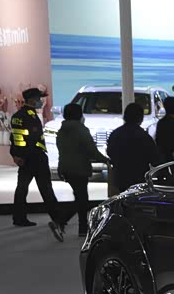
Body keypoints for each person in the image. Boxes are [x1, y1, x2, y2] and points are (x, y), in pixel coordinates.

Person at [10, 87, 65, 240]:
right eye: (39, 99)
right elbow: (31, 138)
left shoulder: (17, 116)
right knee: (46, 188)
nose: (41, 101)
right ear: (32, 99)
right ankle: (57, 218)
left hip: (25, 158)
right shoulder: (30, 116)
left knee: (21, 188)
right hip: (35, 158)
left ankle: (19, 217)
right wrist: (24, 155)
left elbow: (15, 138)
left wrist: (16, 155)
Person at [56, 103, 109, 236]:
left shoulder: (62, 130)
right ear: (79, 114)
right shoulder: (81, 130)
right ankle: (62, 221)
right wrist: (106, 160)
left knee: (80, 197)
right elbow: (91, 150)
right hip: (79, 168)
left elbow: (62, 151)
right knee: (81, 199)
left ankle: (82, 228)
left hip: (66, 167)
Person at [106, 102, 159, 193]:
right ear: (140, 118)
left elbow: (110, 152)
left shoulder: (116, 134)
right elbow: (154, 158)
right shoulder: (144, 136)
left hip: (120, 176)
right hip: (139, 177)